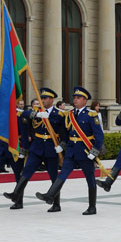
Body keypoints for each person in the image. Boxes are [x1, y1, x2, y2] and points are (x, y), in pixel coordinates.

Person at [36, 86, 103, 214]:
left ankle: (92, 206)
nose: (75, 100)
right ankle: (50, 195)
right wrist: (63, 145)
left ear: (85, 100)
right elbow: (66, 134)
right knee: (62, 174)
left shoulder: (91, 115)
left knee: (89, 178)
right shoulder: (70, 115)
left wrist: (94, 152)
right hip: (72, 151)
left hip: (85, 152)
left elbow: (99, 137)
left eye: (78, 98)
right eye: (74, 98)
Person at [3, 88, 66, 212]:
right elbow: (23, 114)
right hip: (37, 148)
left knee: (53, 176)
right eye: (41, 98)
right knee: (26, 171)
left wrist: (62, 146)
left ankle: (56, 203)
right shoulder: (36, 111)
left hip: (51, 148)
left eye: (45, 98)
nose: (42, 100)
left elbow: (65, 133)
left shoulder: (59, 114)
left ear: (52, 100)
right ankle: (16, 194)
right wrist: (37, 114)